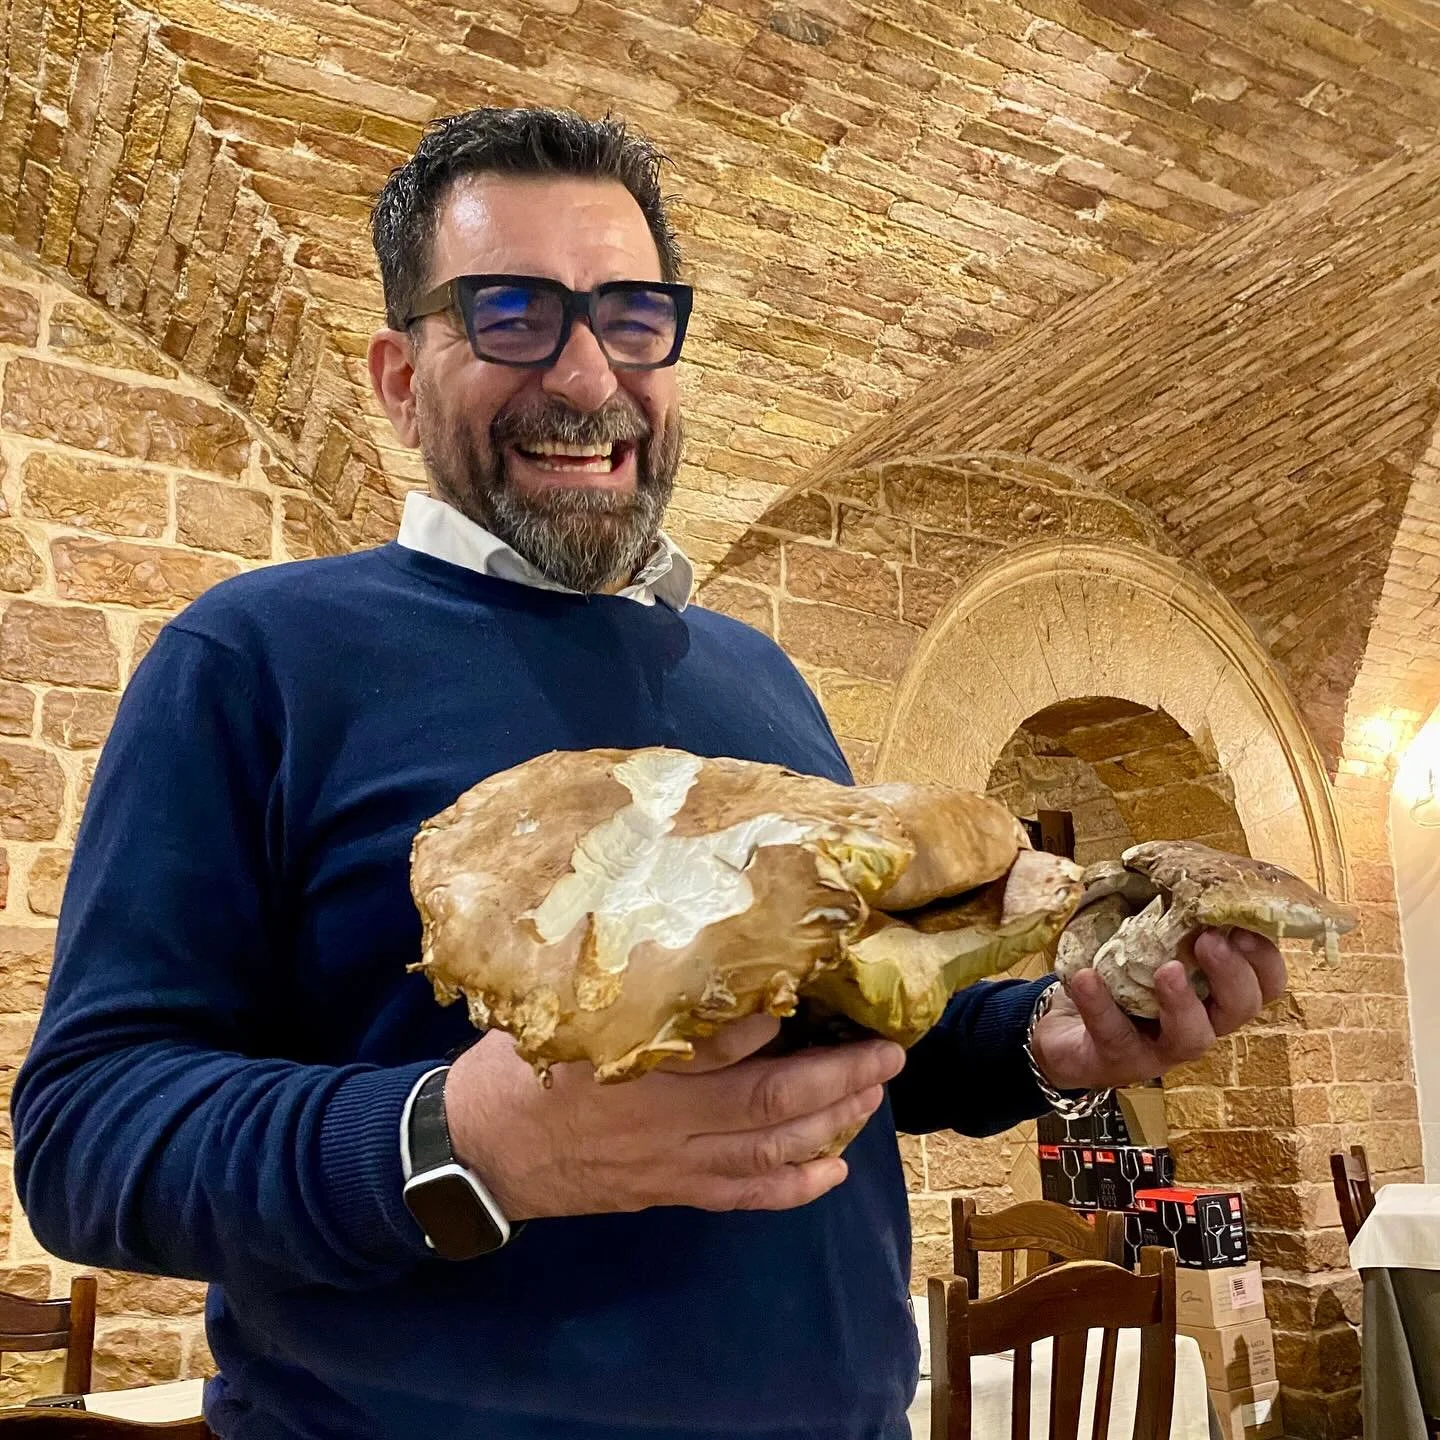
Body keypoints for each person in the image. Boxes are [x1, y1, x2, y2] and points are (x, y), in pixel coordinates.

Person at [11, 107, 1285, 1440]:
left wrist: (1043, 1041)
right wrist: (473, 1143)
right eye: (511, 316)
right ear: (397, 379)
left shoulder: (757, 678)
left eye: (633, 319)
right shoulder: (255, 656)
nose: (584, 376)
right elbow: (90, 1136)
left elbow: (828, 1042)